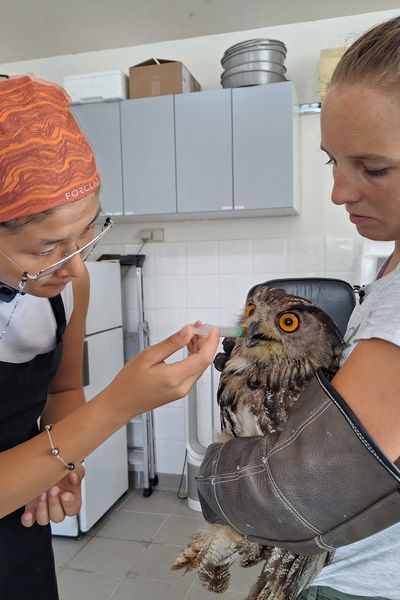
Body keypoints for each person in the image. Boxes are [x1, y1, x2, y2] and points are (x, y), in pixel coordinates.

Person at [197, 15, 400, 600]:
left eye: (374, 167)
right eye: (331, 159)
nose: (340, 191)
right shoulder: (390, 257)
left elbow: (296, 491)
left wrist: (211, 472)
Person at [0, 75, 219, 600]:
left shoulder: (70, 289)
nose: (75, 267)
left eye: (89, 232)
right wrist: (121, 403)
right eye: (45, 248)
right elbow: (98, 409)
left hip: (19, 530)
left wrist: (59, 466)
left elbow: (59, 392)